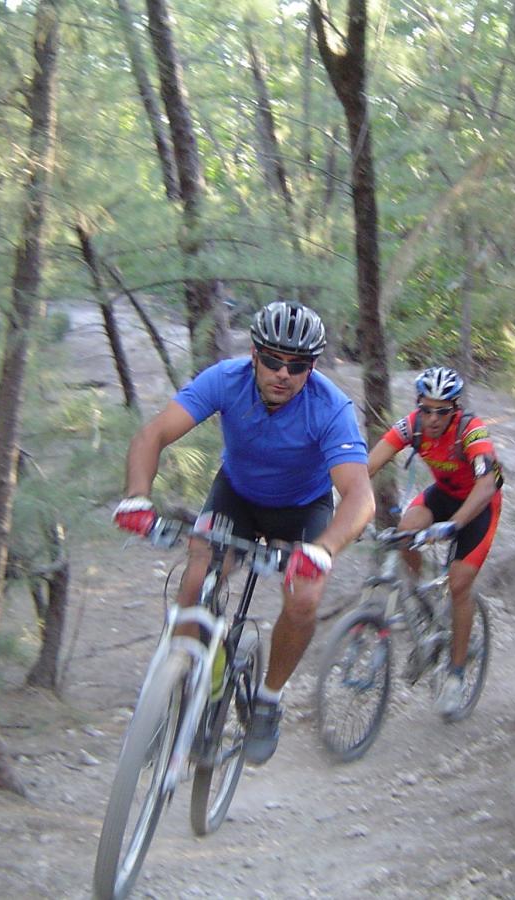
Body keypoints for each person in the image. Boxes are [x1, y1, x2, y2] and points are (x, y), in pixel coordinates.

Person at [113, 300, 375, 764]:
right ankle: (200, 687)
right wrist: (137, 496)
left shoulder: (331, 408)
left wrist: (324, 549)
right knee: (195, 584)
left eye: (297, 366)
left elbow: (359, 494)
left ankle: (269, 699)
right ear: (253, 354)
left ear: (312, 368)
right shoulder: (225, 379)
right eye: (273, 359)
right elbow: (153, 434)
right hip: (237, 495)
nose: (283, 373)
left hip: (302, 510)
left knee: (305, 599)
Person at [366, 366, 503, 717]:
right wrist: (339, 498)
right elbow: (369, 464)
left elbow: (487, 485)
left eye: (441, 411)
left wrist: (453, 526)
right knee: (405, 531)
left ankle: (455, 675)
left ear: (455, 409)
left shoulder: (472, 432)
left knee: (460, 584)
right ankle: (427, 600)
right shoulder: (411, 425)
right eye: (426, 409)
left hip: (479, 505)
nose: (432, 418)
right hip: (443, 494)